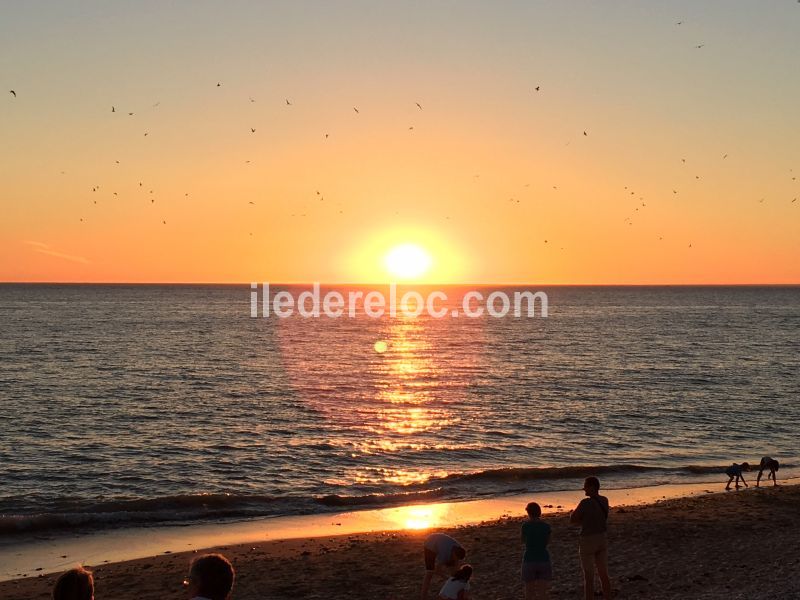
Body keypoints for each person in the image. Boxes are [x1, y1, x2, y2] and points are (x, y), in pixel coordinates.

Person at [570, 477, 611, 600]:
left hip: (588, 539)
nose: (584, 489)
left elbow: (573, 519)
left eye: (586, 487)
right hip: (602, 537)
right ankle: (607, 597)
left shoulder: (584, 503)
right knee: (603, 573)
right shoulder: (604, 500)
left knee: (588, 575)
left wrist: (575, 516)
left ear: (592, 487)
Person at [521, 501, 552, 600]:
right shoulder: (546, 527)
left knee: (529, 591)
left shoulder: (525, 526)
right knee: (543, 592)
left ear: (529, 513)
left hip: (529, 559)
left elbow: (522, 541)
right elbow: (548, 541)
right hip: (543, 558)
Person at [421, 533, 466, 599]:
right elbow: (437, 571)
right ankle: (423, 596)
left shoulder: (459, 548)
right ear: (453, 553)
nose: (455, 560)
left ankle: (454, 589)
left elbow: (456, 563)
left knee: (454, 567)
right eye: (455, 557)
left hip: (440, 541)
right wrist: (447, 578)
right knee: (429, 573)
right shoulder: (444, 553)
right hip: (430, 544)